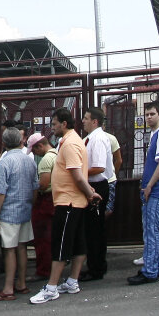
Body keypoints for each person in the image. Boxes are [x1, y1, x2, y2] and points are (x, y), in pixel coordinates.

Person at [29, 108, 98, 304]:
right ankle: (72, 281)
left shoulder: (70, 144)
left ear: (64, 124)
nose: (52, 128)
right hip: (72, 200)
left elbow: (77, 175)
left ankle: (51, 288)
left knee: (60, 245)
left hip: (68, 202)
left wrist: (90, 193)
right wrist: (89, 193)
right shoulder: (68, 142)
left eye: (54, 124)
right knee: (77, 243)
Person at [128, 101, 159, 285]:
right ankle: (156, 266)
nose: (149, 117)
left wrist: (149, 186)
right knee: (158, 227)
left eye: (152, 114)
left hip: (158, 188)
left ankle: (150, 270)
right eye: (147, 114)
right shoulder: (157, 133)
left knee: (152, 229)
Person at [0, 125, 38, 300]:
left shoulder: (5, 162)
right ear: (20, 140)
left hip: (9, 211)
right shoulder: (29, 160)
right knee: (22, 247)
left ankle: (8, 288)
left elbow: (0, 192)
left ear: (3, 143)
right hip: (25, 209)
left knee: (9, 249)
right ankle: (22, 283)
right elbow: (35, 188)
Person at [81, 107, 114, 281]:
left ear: (95, 121)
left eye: (86, 119)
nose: (83, 121)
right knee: (91, 229)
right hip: (91, 186)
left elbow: (100, 167)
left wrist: (79, 173)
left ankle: (97, 268)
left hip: (98, 186)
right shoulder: (90, 138)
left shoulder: (99, 139)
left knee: (95, 230)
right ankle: (94, 265)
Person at [28, 133, 55, 279]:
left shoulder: (46, 160)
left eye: (34, 150)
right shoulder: (56, 154)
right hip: (54, 199)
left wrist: (34, 186)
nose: (34, 154)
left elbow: (44, 185)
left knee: (42, 239)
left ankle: (43, 270)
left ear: (40, 146)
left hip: (46, 202)